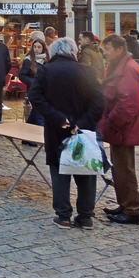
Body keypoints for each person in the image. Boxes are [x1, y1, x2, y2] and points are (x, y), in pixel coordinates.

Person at [27, 37, 104, 229]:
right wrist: (82, 122)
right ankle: (85, 216)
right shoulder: (87, 71)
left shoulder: (46, 70)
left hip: (56, 129)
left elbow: (35, 97)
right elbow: (99, 102)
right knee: (86, 172)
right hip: (83, 130)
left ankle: (63, 215)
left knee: (59, 171)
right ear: (72, 51)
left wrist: (59, 118)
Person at [99, 34, 139, 225]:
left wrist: (112, 122)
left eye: (107, 49)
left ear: (119, 49)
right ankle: (125, 204)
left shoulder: (127, 70)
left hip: (124, 128)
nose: (104, 53)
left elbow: (129, 103)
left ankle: (132, 210)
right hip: (120, 129)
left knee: (125, 170)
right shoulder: (120, 66)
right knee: (120, 169)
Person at [19, 35, 49, 127]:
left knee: (36, 112)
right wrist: (33, 82)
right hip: (34, 90)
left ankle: (27, 136)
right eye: (35, 47)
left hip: (45, 91)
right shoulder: (28, 60)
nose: (36, 49)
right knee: (39, 112)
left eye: (39, 47)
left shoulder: (46, 60)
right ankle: (40, 135)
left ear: (43, 48)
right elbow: (22, 75)